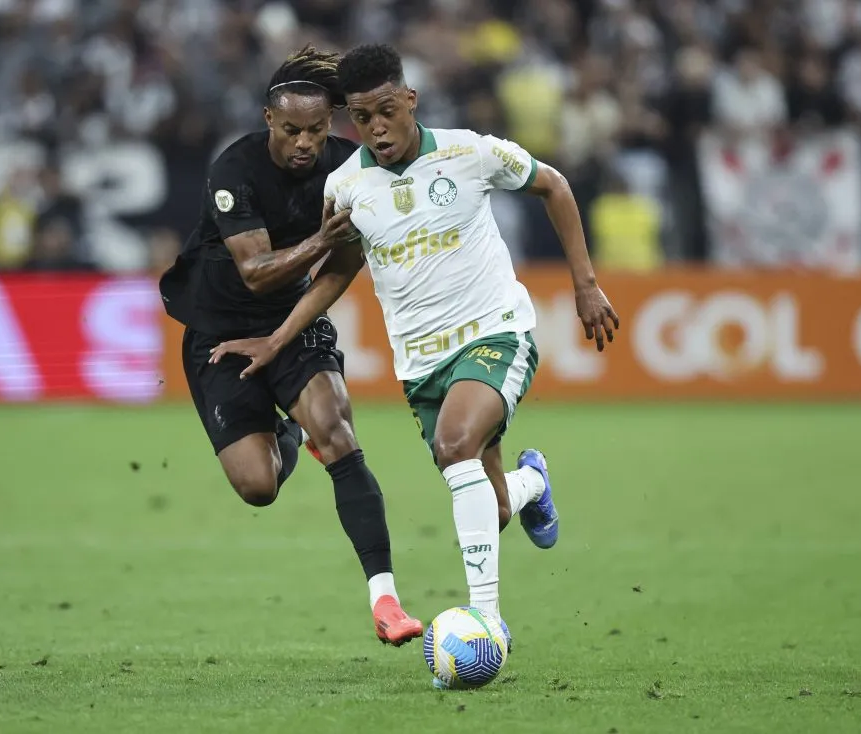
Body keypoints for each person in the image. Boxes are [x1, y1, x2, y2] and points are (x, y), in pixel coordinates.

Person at [208, 43, 620, 659]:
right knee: (489, 505)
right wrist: (277, 338)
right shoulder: (346, 185)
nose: (375, 128)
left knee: (456, 446)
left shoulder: (470, 151)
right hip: (421, 365)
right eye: (360, 118)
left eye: (385, 112)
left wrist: (585, 285)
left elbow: (554, 186)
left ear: (409, 101)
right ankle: (530, 484)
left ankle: (488, 627)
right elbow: (337, 270)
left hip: (494, 332)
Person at [158, 46, 422, 646]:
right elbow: (255, 270)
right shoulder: (235, 169)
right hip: (220, 336)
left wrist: (283, 335)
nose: (305, 143)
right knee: (258, 487)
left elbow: (343, 266)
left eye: (318, 130)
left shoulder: (349, 169)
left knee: (339, 432)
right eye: (293, 130)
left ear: (332, 123)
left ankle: (386, 600)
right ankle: (285, 437)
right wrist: (320, 240)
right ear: (269, 121)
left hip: (292, 323)